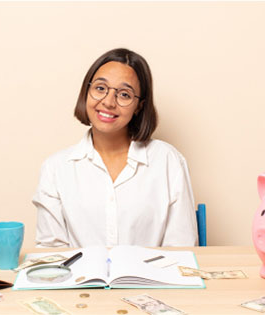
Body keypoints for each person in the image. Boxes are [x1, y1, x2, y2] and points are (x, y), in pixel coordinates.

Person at [33, 48, 197, 247]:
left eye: (124, 94)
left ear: (139, 106)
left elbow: (181, 248)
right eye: (100, 88)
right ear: (87, 91)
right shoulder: (56, 168)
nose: (109, 102)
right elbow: (52, 252)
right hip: (80, 278)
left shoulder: (168, 161)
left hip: (151, 278)